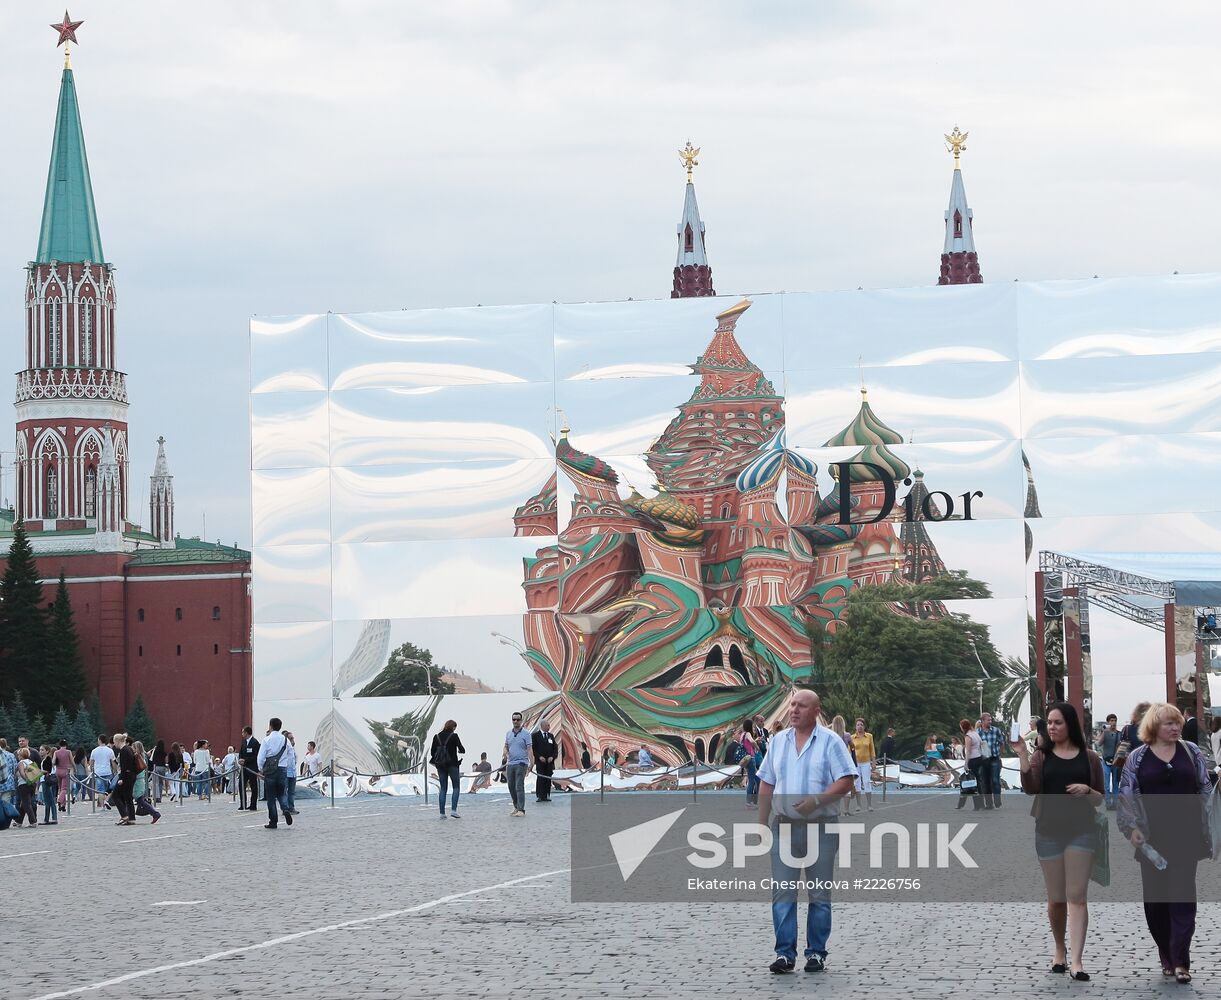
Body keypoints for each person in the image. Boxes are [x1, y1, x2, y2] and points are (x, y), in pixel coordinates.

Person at [757, 689, 856, 974]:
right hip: (784, 828)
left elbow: (847, 779)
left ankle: (816, 953)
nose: (794, 710)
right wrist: (762, 823)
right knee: (783, 894)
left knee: (819, 896)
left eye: (801, 706)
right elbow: (766, 781)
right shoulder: (777, 741)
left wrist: (817, 800)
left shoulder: (830, 741)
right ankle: (785, 954)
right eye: (792, 704)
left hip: (821, 828)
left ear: (816, 710)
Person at [1117, 702, 1213, 984]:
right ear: (1154, 727)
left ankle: (1181, 959)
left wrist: (1212, 827)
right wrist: (1130, 828)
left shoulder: (1191, 751)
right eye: (1169, 723)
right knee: (1156, 902)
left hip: (1187, 836)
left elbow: (1206, 788)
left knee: (1183, 898)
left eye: (1177, 723)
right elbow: (1126, 794)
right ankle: (1166, 952)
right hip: (1151, 840)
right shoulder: (1138, 756)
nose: (1175, 727)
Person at [1014, 701, 1104, 982]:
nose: (1051, 727)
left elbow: (1100, 797)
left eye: (1057, 722)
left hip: (1082, 831)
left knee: (1076, 896)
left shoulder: (1090, 757)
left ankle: (1076, 961)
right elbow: (1031, 789)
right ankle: (1059, 949)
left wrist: (1087, 789)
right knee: (1056, 899)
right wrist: (1022, 756)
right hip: (1049, 831)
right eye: (1049, 723)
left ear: (1070, 725)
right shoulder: (1042, 756)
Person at [256, 718, 293, 830]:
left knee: (271, 797)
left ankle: (273, 821)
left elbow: (261, 756)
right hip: (282, 769)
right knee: (282, 793)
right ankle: (285, 808)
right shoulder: (285, 740)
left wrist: (260, 769)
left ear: (270, 726)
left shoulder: (267, 740)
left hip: (270, 771)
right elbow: (291, 755)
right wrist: (288, 766)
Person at [429, 720, 465, 818]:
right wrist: (457, 750)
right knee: (456, 787)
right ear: (453, 727)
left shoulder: (436, 737)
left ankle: (442, 813)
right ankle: (453, 810)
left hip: (440, 765)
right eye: (454, 727)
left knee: (443, 788)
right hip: (453, 764)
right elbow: (462, 750)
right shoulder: (454, 736)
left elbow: (432, 752)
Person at [503, 711, 533, 817]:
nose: (515, 721)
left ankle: (521, 809)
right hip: (510, 763)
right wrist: (505, 752)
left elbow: (529, 749)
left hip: (521, 763)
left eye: (517, 719)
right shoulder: (508, 733)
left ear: (521, 721)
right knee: (511, 786)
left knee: (519, 786)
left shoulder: (526, 734)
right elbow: (506, 746)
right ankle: (516, 806)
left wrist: (531, 762)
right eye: (514, 719)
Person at [831, 716, 859, 815]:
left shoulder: (830, 735)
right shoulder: (846, 735)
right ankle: (846, 810)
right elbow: (852, 746)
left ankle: (836, 810)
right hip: (844, 764)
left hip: (833, 764)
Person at [130, 741, 162, 825]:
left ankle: (155, 813)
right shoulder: (143, 756)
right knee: (139, 800)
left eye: (133, 747)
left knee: (138, 800)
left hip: (137, 780)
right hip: (140, 780)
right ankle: (154, 813)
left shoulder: (138, 757)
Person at [978, 712, 1004, 808]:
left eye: (990, 720)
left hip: (994, 758)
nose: (990, 721)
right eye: (988, 720)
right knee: (985, 781)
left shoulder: (996, 730)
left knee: (995, 780)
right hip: (983, 760)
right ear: (982, 721)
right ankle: (989, 803)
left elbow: (1001, 743)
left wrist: (1000, 754)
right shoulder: (978, 732)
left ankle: (997, 801)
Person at [958, 718, 984, 811]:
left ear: (963, 727)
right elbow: (982, 744)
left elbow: (968, 751)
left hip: (972, 759)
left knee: (973, 782)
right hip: (979, 757)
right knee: (978, 781)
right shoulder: (975, 733)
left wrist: (966, 763)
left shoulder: (968, 736)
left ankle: (977, 804)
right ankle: (981, 803)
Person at [111, 733, 138, 826]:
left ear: (118, 741)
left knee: (115, 795)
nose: (114, 744)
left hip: (126, 776)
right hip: (131, 775)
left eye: (114, 741)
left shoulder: (123, 751)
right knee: (128, 797)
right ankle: (132, 818)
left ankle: (124, 815)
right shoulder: (129, 749)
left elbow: (124, 766)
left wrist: (121, 778)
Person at [1096, 713, 1121, 810]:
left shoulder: (1119, 734)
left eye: (1115, 720)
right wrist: (1103, 733)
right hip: (1106, 761)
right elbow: (1098, 744)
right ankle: (1108, 804)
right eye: (1111, 721)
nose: (1113, 722)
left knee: (1115, 784)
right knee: (1106, 784)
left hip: (1116, 762)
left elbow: (1122, 747)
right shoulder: (1105, 733)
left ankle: (1115, 804)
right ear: (1108, 722)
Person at [850, 719, 876, 811]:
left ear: (864, 726)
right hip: (855, 763)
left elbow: (872, 749)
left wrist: (873, 761)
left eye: (861, 725)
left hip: (866, 762)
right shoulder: (852, 737)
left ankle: (869, 804)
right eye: (858, 725)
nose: (860, 726)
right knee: (857, 783)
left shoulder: (869, 736)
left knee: (866, 782)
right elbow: (849, 751)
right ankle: (858, 805)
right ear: (855, 727)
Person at [532, 719, 558, 802]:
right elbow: (533, 749)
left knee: (548, 778)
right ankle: (540, 795)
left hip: (549, 763)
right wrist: (539, 757)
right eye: (547, 725)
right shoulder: (535, 736)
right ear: (542, 726)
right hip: (540, 762)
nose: (549, 727)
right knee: (541, 778)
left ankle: (547, 795)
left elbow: (555, 748)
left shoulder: (551, 736)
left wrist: (552, 757)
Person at [14, 748, 41, 827]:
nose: (18, 756)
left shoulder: (21, 763)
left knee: (26, 804)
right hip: (32, 785)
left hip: (24, 785)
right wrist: (32, 782)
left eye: (18, 754)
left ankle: (33, 821)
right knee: (24, 804)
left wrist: (27, 780)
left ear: (21, 755)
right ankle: (19, 821)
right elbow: (36, 774)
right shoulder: (31, 762)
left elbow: (22, 774)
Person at [238, 726, 261, 811]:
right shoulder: (244, 742)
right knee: (241, 785)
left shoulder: (255, 742)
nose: (242, 734)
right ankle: (243, 804)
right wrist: (240, 759)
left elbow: (256, 755)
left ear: (247, 732)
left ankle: (253, 805)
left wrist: (246, 760)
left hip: (252, 768)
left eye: (243, 732)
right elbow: (241, 752)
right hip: (244, 768)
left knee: (253, 786)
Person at [89, 733, 116, 806]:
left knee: (100, 790)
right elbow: (113, 761)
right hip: (107, 771)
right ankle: (106, 801)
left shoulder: (94, 751)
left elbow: (91, 762)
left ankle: (102, 805)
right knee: (109, 789)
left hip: (98, 772)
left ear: (99, 740)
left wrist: (91, 770)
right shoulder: (110, 750)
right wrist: (114, 770)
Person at [740, 720, 759, 809]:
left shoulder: (742, 735)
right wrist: (757, 747)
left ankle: (755, 800)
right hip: (751, 758)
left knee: (757, 779)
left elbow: (746, 744)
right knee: (752, 780)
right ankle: (749, 802)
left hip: (746, 760)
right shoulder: (747, 734)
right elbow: (752, 741)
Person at [39, 746, 58, 824]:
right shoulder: (46, 759)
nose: (40, 751)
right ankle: (50, 818)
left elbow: (48, 770)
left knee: (48, 800)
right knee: (49, 800)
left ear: (47, 751)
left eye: (42, 750)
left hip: (45, 780)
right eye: (40, 750)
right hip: (45, 780)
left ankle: (50, 818)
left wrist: (38, 771)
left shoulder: (47, 759)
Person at [282, 732, 299, 814]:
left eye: (293, 738)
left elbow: (294, 759)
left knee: (292, 792)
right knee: (284, 791)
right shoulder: (284, 747)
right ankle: (285, 808)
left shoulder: (293, 748)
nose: (293, 740)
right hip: (285, 772)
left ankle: (291, 807)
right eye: (291, 738)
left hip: (293, 772)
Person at [52, 739, 72, 811]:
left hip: (58, 771)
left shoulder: (56, 752)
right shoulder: (68, 752)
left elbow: (53, 762)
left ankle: (63, 806)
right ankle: (60, 800)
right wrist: (74, 769)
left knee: (60, 788)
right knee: (64, 789)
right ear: (66, 745)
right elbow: (72, 761)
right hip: (65, 771)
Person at [0, 738, 17, 811]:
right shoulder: (11, 755)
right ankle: (5, 821)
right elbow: (15, 769)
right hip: (8, 783)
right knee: (6, 804)